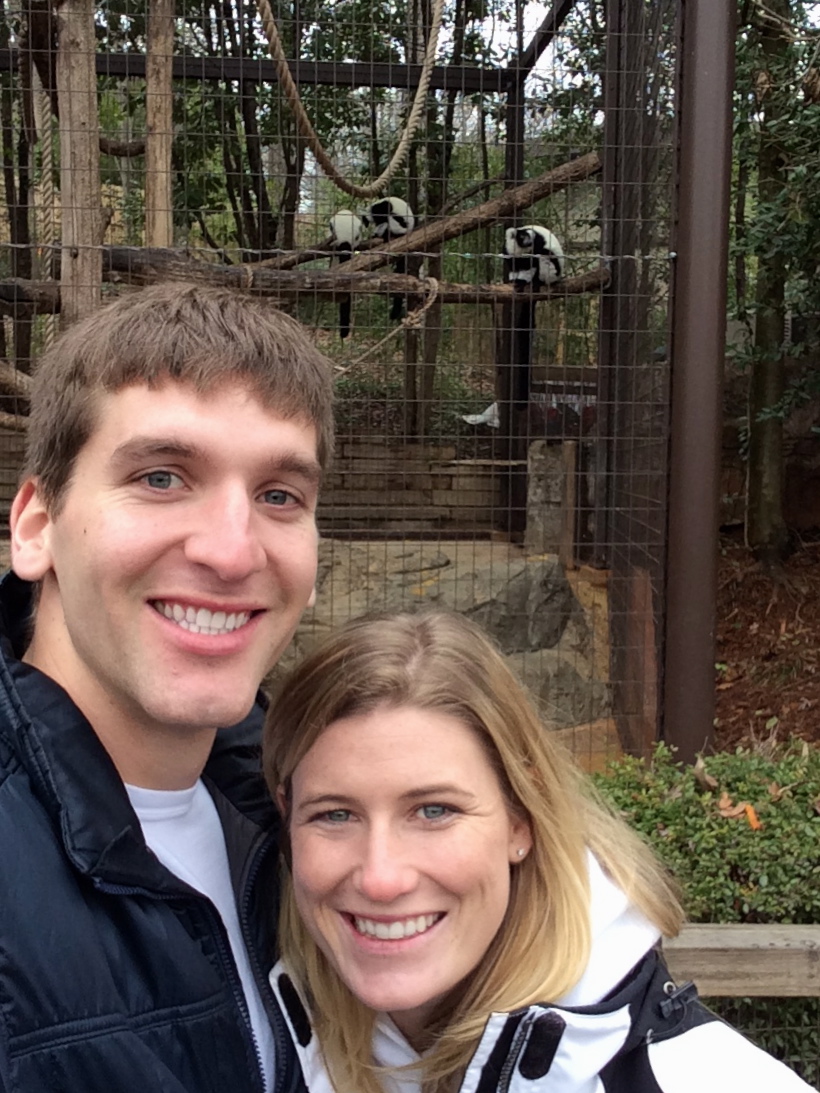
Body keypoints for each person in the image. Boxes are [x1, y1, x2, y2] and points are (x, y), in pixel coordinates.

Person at [0, 283, 334, 1093]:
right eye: (160, 477)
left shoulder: (303, 813)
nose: (232, 551)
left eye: (278, 495)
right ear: (36, 527)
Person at [263, 610, 814, 1093]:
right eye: (335, 815)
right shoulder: (260, 1052)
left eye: (434, 811)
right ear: (287, 817)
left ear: (520, 816)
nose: (381, 878)